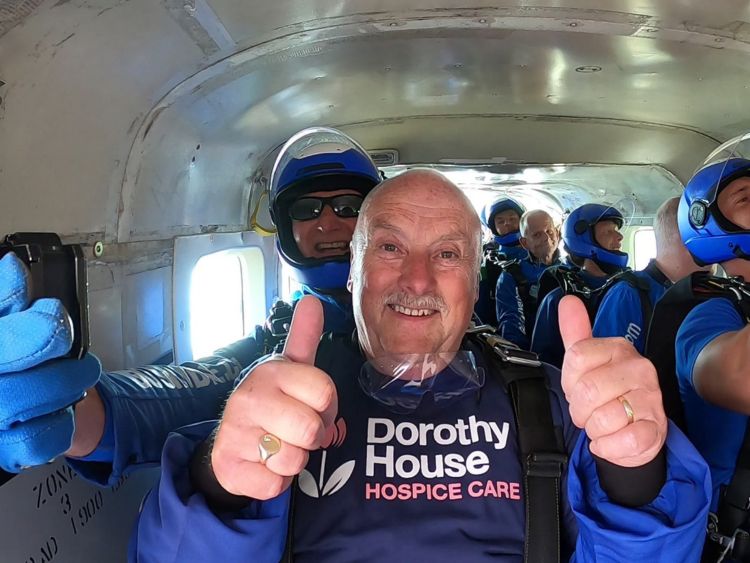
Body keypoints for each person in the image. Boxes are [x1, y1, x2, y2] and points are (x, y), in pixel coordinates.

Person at [132, 169, 710, 562]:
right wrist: (223, 485)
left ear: (474, 280)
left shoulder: (557, 401)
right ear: (353, 270)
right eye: (389, 248)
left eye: (447, 254)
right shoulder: (273, 403)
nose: (416, 279)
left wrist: (635, 472)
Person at [0, 127, 381, 485]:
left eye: (349, 207)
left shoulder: (430, 324)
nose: (328, 222)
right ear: (283, 226)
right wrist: (67, 406)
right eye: (307, 209)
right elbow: (177, 391)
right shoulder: (270, 348)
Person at [673, 139, 750, 540]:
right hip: (737, 521)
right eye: (747, 196)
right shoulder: (710, 313)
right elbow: (741, 377)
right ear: (706, 218)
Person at [593, 196, 707, 354]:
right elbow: (609, 368)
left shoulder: (708, 291)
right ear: (682, 236)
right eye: (705, 236)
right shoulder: (628, 295)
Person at [531, 203, 627, 367]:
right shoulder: (558, 299)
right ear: (584, 238)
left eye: (617, 230)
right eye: (608, 231)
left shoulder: (628, 288)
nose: (619, 237)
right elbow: (543, 364)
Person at [495, 209, 561, 348]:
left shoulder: (572, 272)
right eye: (537, 235)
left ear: (557, 234)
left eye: (549, 232)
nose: (546, 238)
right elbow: (511, 324)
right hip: (535, 356)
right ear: (525, 243)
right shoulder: (511, 276)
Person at [475, 197, 527, 326]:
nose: (507, 223)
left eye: (512, 219)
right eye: (500, 221)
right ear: (493, 227)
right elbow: (481, 306)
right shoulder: (488, 262)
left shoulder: (535, 253)